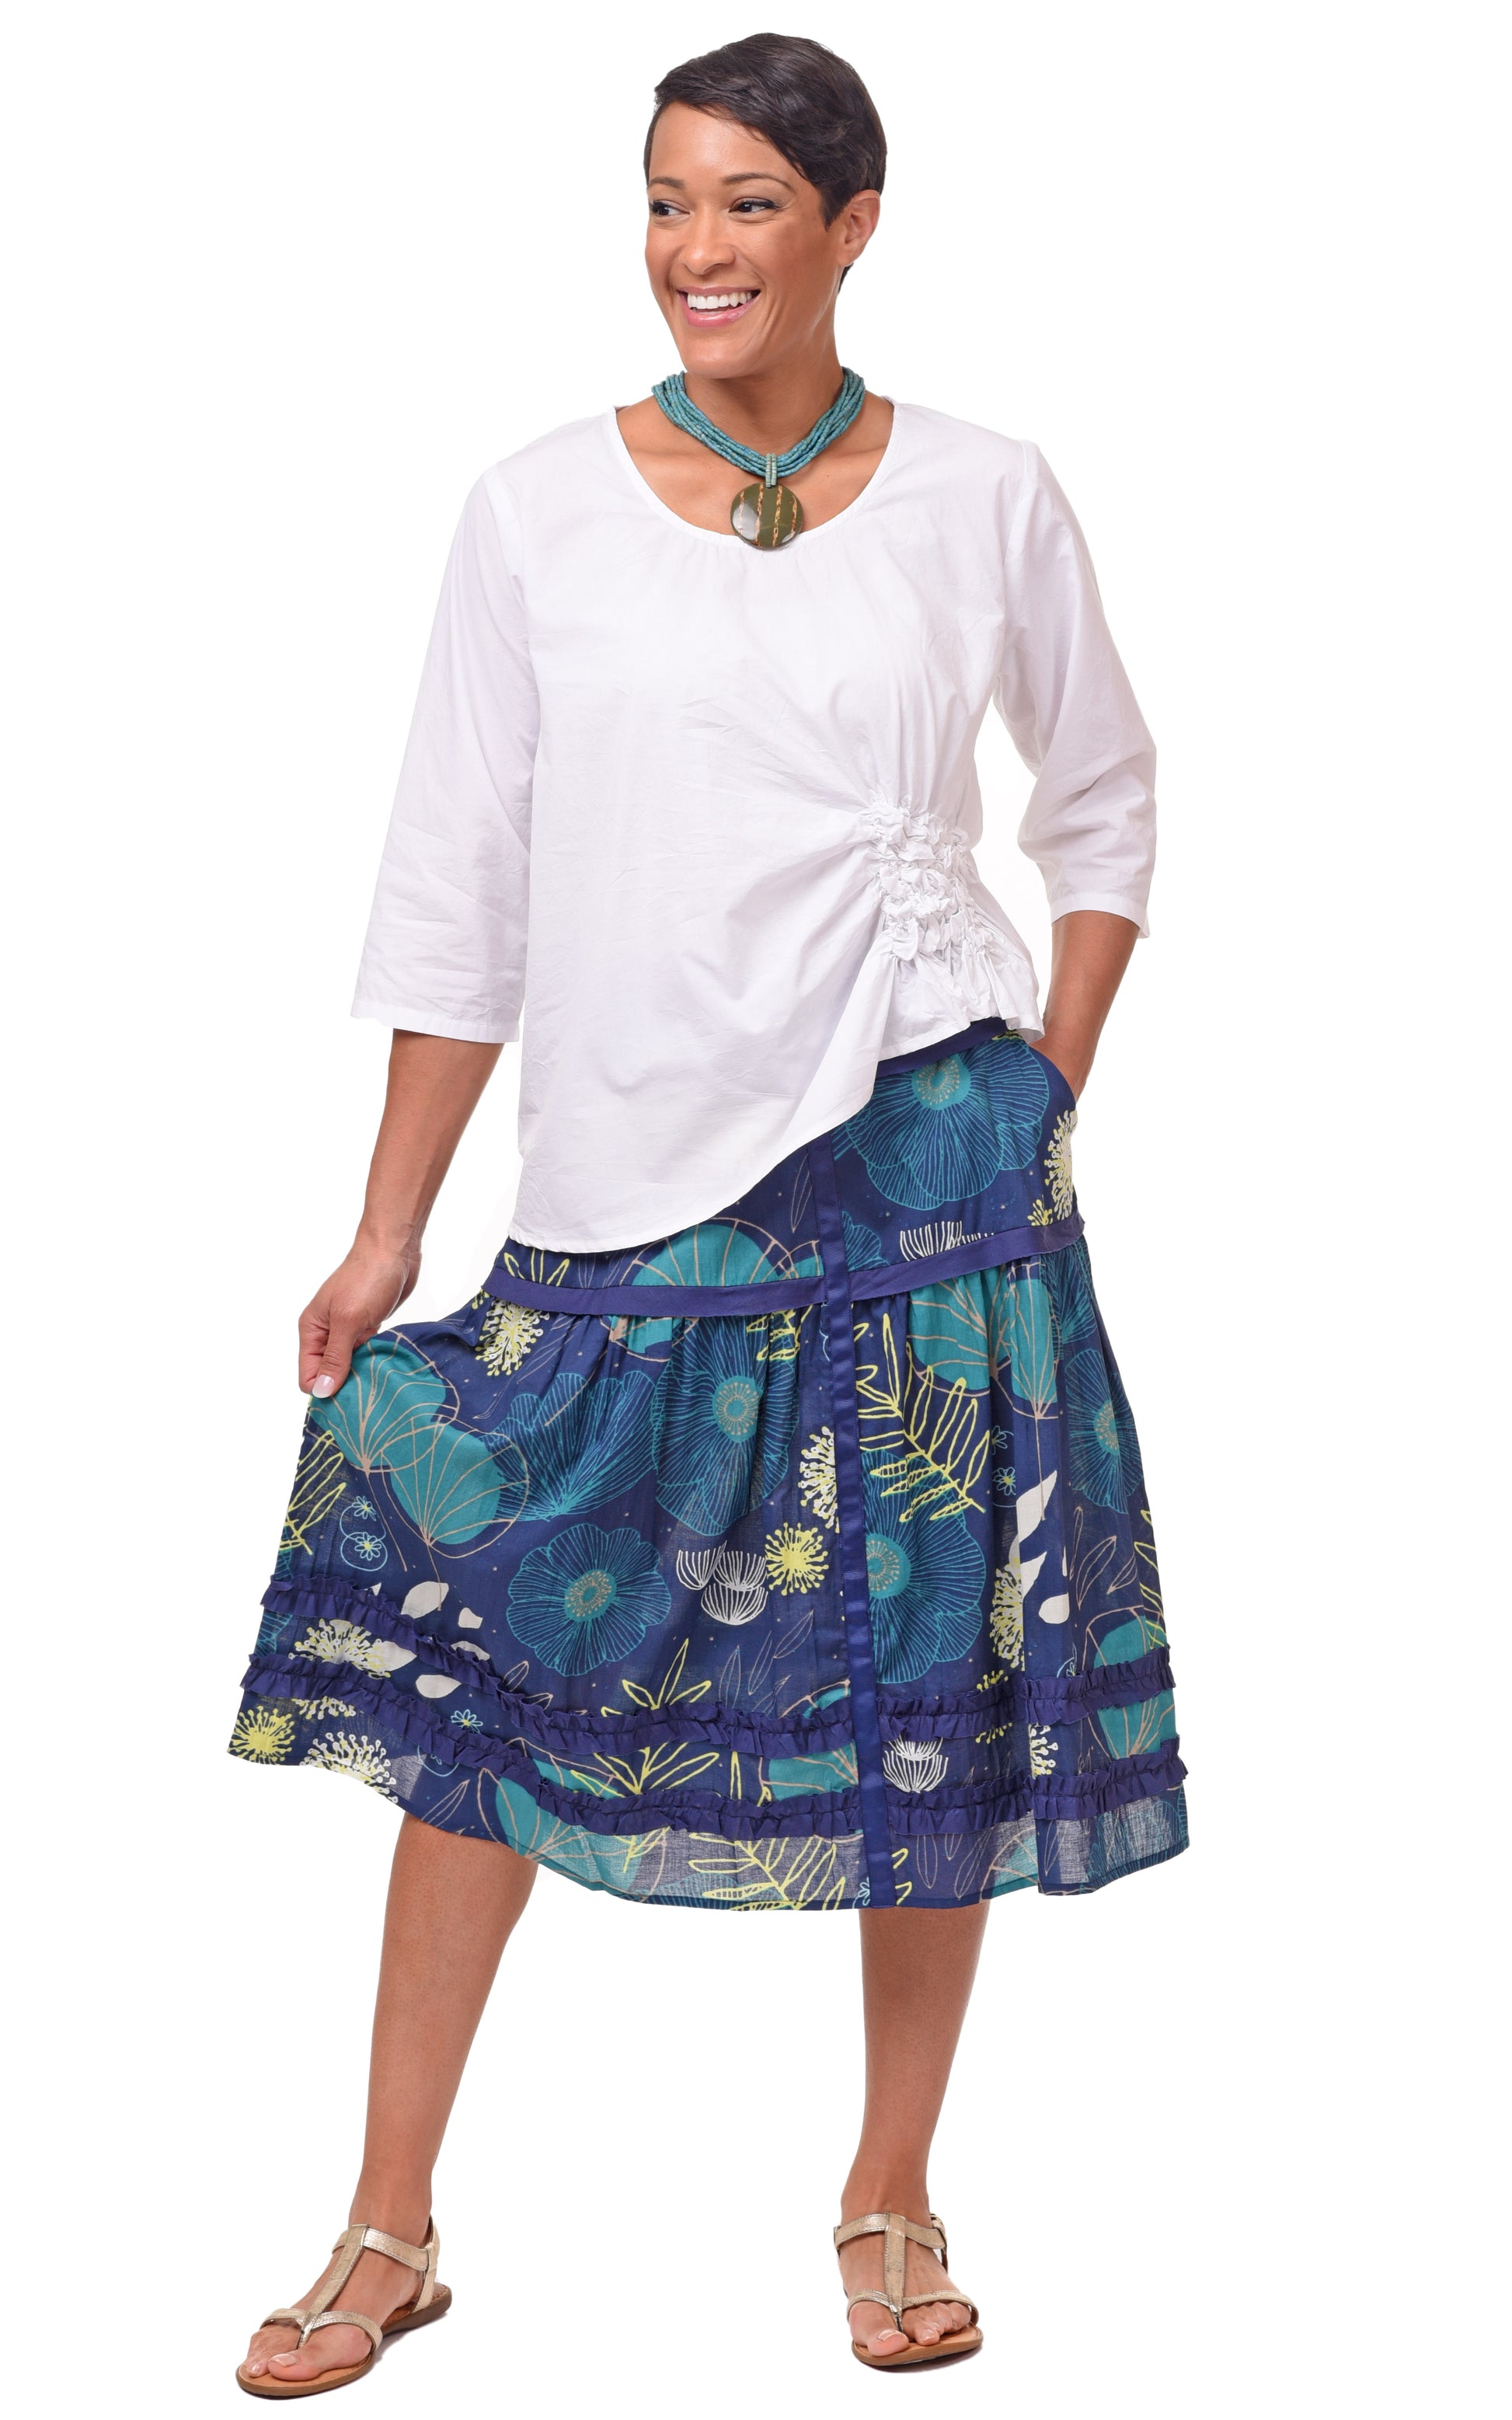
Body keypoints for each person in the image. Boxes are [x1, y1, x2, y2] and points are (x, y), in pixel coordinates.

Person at [231, 30, 1186, 2395]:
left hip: (929, 1165)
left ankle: (889, 2190)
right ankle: (386, 2219)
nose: (695, 250)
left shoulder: (983, 490)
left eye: (748, 202)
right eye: (666, 201)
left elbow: (1102, 799)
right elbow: (456, 890)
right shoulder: (535, 509)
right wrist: (387, 1228)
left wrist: (1042, 1084)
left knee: (926, 1690)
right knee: (483, 1687)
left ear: (853, 226)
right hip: (630, 1170)